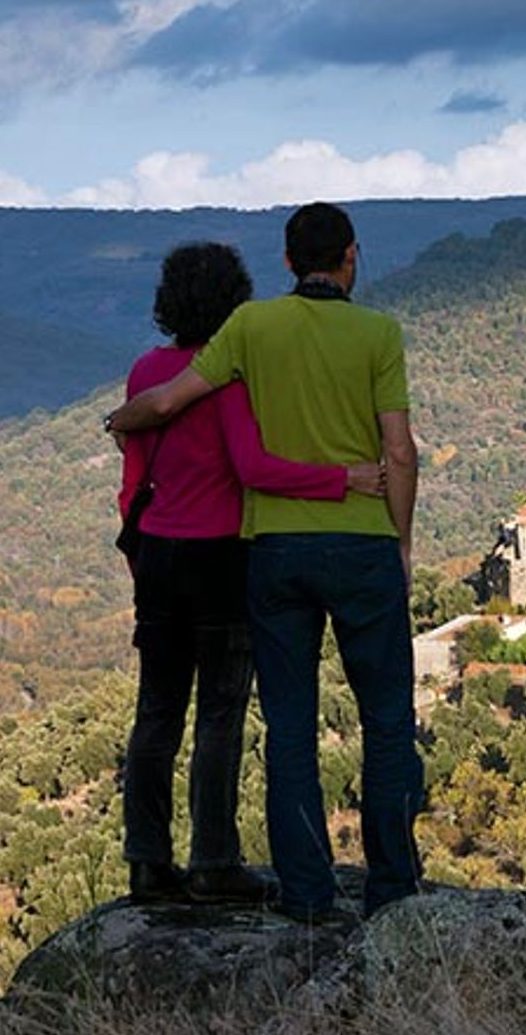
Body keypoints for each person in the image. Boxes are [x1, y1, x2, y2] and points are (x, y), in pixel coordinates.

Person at [107, 203, 423, 920]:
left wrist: (120, 421)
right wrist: (395, 535)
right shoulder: (376, 334)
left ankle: (297, 893)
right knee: (384, 722)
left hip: (256, 552)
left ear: (286, 262)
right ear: (351, 256)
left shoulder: (245, 335)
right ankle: (393, 891)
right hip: (334, 545)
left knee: (276, 725)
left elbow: (162, 408)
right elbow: (396, 452)